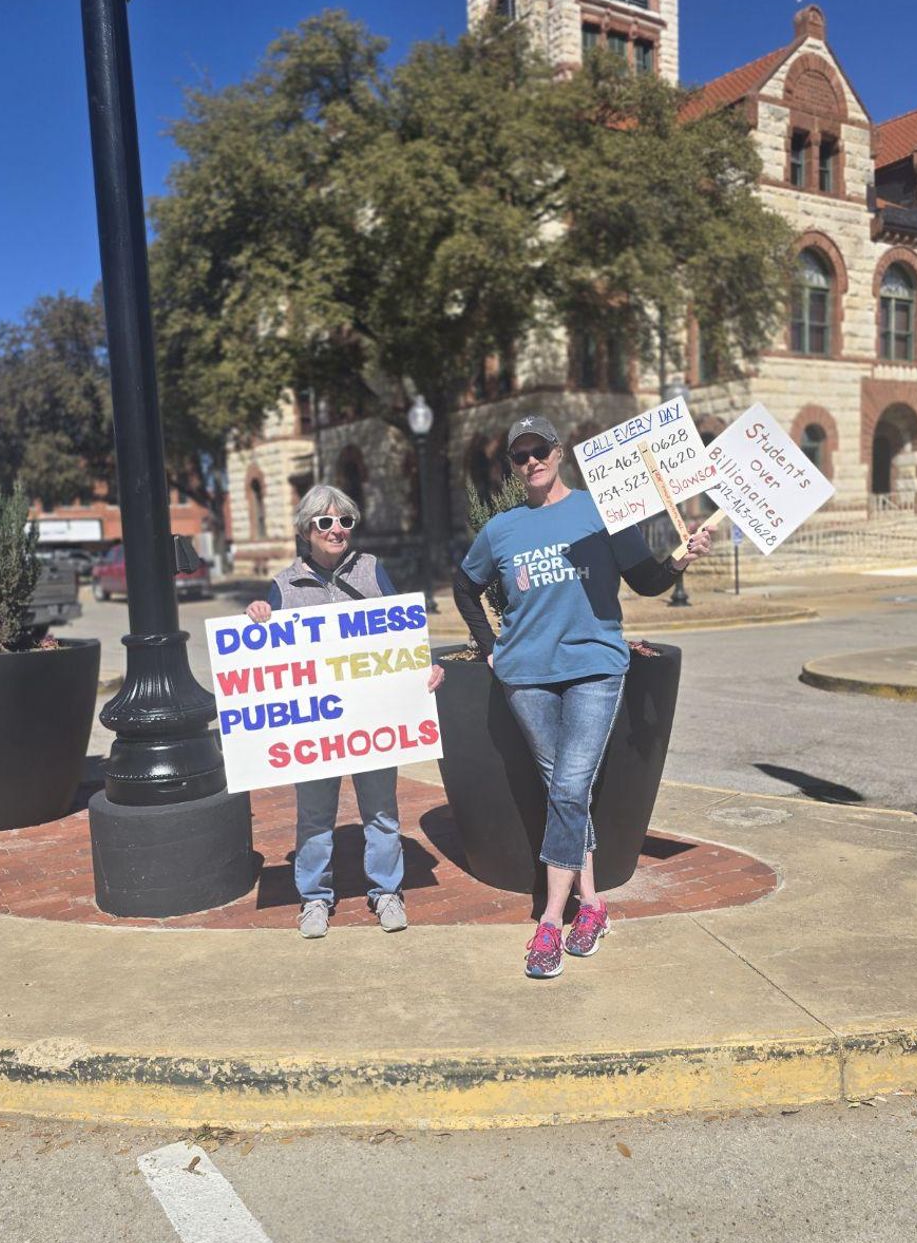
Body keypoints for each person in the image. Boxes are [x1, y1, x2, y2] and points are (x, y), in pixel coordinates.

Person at [453, 416, 714, 980]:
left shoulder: (600, 512)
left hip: (594, 667)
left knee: (570, 786)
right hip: (525, 676)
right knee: (562, 790)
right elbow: (465, 585)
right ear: (513, 467)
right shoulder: (501, 529)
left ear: (559, 452)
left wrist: (680, 560)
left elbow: (644, 580)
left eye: (539, 450)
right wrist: (489, 646)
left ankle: (550, 917)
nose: (531, 463)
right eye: (519, 456)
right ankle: (592, 903)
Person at [247, 483, 445, 939]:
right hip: (317, 728)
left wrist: (426, 664)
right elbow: (262, 660)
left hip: (373, 720)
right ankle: (314, 898)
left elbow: (403, 633)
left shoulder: (373, 571)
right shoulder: (282, 585)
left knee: (381, 811)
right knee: (315, 815)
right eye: (325, 522)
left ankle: (386, 891)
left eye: (344, 521)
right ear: (306, 530)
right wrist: (257, 614)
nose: (336, 530)